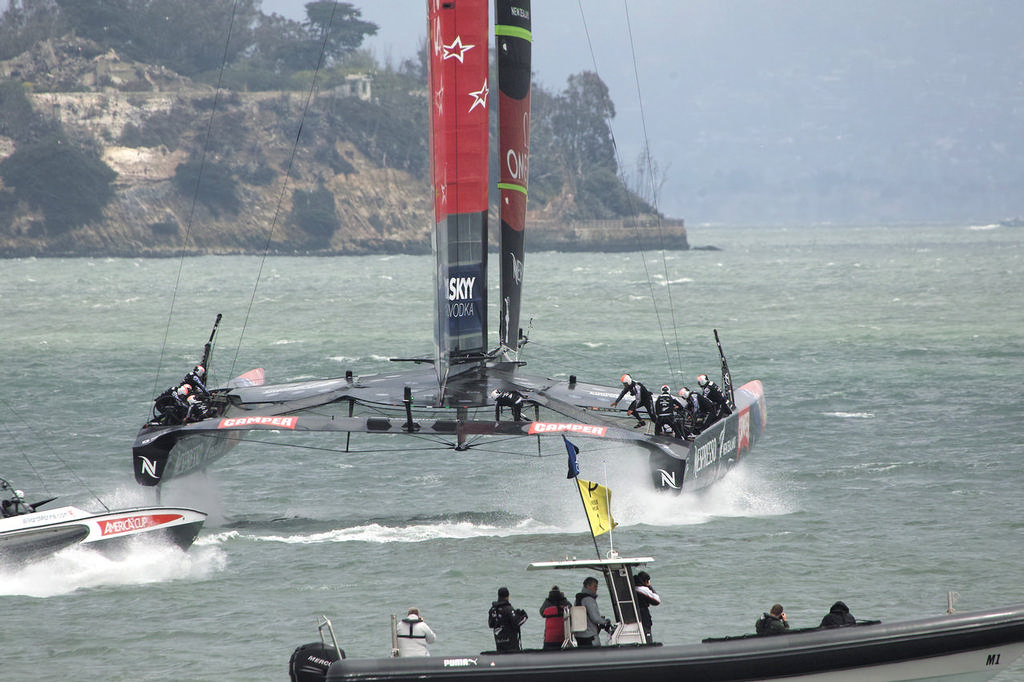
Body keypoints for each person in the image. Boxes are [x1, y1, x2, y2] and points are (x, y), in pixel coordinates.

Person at [573, 576, 612, 646]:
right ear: (588, 586)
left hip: (579, 635)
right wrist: (605, 621)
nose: (596, 589)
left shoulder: (578, 599)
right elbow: (595, 618)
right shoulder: (589, 600)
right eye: (595, 586)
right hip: (590, 636)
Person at [488, 586, 528, 652]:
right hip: (511, 644)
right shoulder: (508, 609)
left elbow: (491, 624)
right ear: (507, 596)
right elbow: (517, 623)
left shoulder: (493, 610)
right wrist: (524, 616)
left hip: (499, 642)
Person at [539, 585, 572, 649]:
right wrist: (564, 598)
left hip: (549, 638)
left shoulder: (547, 603)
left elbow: (542, 612)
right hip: (562, 636)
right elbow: (571, 609)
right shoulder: (563, 602)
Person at [634, 570, 661, 642]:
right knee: (646, 633)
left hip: (633, 614)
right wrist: (649, 587)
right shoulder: (643, 589)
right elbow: (657, 601)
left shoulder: (632, 588)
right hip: (643, 615)